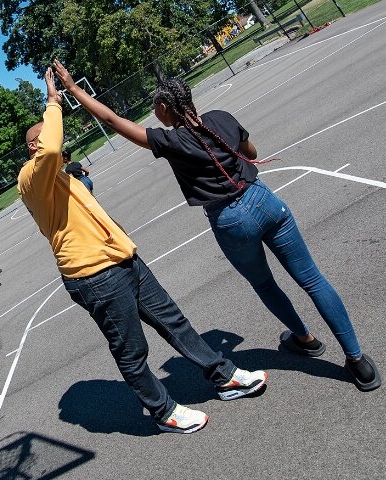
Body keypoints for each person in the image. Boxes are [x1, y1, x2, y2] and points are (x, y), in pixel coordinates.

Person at [53, 60, 380, 392]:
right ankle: (357, 360)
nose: (156, 115)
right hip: (264, 199)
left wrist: (73, 88)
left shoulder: (172, 142)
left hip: (231, 220)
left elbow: (111, 119)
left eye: (156, 109)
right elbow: (250, 151)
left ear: (165, 107)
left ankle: (305, 338)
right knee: (312, 278)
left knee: (266, 285)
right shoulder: (220, 118)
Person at [17, 67, 268, 434]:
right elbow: (50, 144)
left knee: (174, 322)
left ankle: (223, 376)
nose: (49, 137)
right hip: (93, 276)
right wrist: (53, 101)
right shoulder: (30, 179)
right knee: (131, 350)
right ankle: (162, 410)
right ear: (32, 147)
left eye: (48, 130)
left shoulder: (65, 175)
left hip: (124, 260)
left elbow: (58, 152)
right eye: (39, 136)